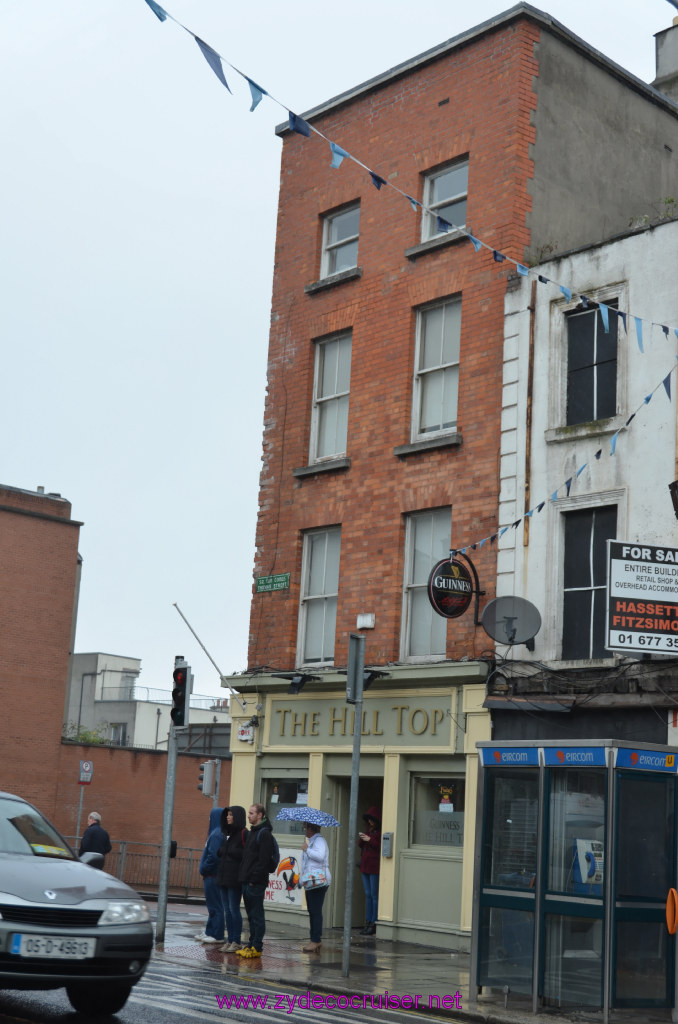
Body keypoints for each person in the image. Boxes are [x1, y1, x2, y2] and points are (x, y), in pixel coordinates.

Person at [236, 803, 275, 959]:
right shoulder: (253, 832)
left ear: (260, 815)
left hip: (255, 883)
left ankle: (257, 946)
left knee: (257, 915)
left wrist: (253, 880)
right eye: (249, 813)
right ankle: (251, 944)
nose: (249, 815)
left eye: (252, 813)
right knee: (251, 916)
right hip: (247, 881)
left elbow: (263, 861)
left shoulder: (264, 834)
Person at [216, 805, 247, 952]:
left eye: (230, 815)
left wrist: (229, 852)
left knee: (234, 909)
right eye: (227, 815)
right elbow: (221, 852)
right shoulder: (227, 834)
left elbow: (245, 855)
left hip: (235, 879)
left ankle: (237, 940)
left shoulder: (243, 834)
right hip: (223, 877)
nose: (228, 817)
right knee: (226, 910)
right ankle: (230, 940)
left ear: (237, 817)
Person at [300, 821, 331, 953]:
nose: (304, 830)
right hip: (311, 881)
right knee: (312, 911)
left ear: (311, 828)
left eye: (305, 827)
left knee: (315, 911)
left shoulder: (319, 841)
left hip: (319, 881)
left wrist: (307, 849)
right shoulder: (312, 841)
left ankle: (316, 940)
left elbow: (320, 857)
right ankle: (314, 939)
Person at [197, 806, 225, 944]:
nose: (208, 819)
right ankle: (210, 931)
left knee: (216, 906)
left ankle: (217, 934)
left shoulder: (216, 834)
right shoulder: (216, 833)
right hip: (211, 875)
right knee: (212, 906)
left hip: (212, 876)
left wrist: (205, 868)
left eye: (210, 816)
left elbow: (214, 856)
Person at [358, 806, 381, 935]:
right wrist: (363, 839)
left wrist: (370, 840)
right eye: (369, 820)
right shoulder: (369, 832)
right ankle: (368, 921)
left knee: (374, 895)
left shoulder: (378, 833)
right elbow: (360, 845)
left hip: (374, 866)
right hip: (365, 866)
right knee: (368, 894)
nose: (370, 822)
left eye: (372, 820)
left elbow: (379, 847)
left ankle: (374, 922)